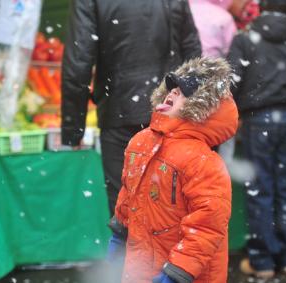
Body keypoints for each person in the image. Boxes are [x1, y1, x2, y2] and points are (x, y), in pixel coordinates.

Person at [61, 0, 202, 215]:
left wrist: (73, 127)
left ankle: (130, 247)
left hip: (119, 111)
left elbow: (78, 63)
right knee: (171, 210)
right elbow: (192, 54)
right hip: (168, 112)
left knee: (126, 213)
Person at [108, 57, 238, 283]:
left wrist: (176, 273)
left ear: (201, 107)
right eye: (172, 89)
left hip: (188, 275)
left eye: (183, 92)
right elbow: (129, 193)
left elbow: (207, 227)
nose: (173, 92)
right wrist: (120, 232)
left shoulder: (203, 161)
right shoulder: (141, 142)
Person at [227, 0, 286, 278]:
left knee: (260, 190)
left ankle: (262, 261)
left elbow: (231, 82)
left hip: (257, 121)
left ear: (261, 8)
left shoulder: (244, 39)